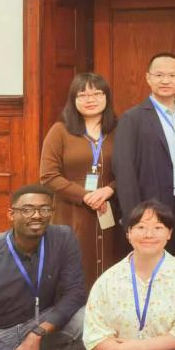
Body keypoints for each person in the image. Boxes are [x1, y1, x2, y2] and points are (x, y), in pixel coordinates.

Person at [0, 184, 87, 350]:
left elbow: (76, 292)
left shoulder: (63, 238)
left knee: (90, 319)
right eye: (27, 209)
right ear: (11, 214)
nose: (37, 215)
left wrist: (36, 334)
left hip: (39, 324)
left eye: (44, 209)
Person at [83, 200, 175, 350]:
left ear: (169, 233)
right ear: (128, 233)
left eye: (158, 227)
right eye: (141, 227)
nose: (149, 234)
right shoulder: (109, 279)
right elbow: (95, 334)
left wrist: (137, 348)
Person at [40, 72, 120, 291]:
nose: (90, 99)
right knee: (73, 268)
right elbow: (48, 176)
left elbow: (132, 169)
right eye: (82, 95)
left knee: (110, 266)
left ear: (106, 97)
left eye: (96, 93)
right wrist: (85, 195)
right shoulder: (60, 131)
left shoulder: (120, 129)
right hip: (71, 212)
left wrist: (109, 190)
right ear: (73, 100)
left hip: (110, 209)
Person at [114, 52, 175, 261]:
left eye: (172, 75)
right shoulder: (132, 118)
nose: (165, 80)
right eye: (159, 75)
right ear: (148, 78)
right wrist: (134, 219)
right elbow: (125, 171)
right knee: (150, 267)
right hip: (150, 210)